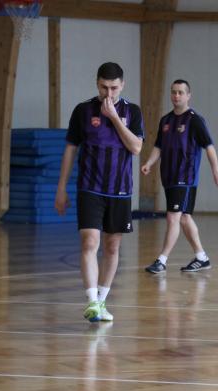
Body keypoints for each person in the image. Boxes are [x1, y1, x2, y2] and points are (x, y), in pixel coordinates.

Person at [55, 62, 144, 322]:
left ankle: (102, 301)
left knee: (112, 247)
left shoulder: (132, 111)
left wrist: (114, 117)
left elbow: (136, 147)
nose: (109, 93)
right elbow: (70, 149)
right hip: (90, 188)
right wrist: (61, 188)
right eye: (104, 87)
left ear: (122, 85)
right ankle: (92, 302)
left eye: (114, 88)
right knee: (89, 242)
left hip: (120, 190)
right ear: (97, 83)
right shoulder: (83, 111)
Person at [141, 79, 218, 274]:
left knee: (173, 217)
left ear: (188, 96)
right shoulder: (165, 120)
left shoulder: (195, 120)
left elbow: (209, 147)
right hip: (168, 177)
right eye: (173, 92)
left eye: (180, 92)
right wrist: (149, 163)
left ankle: (161, 260)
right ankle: (202, 257)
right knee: (184, 218)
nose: (176, 96)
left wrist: (216, 172)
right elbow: (158, 146)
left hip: (185, 177)